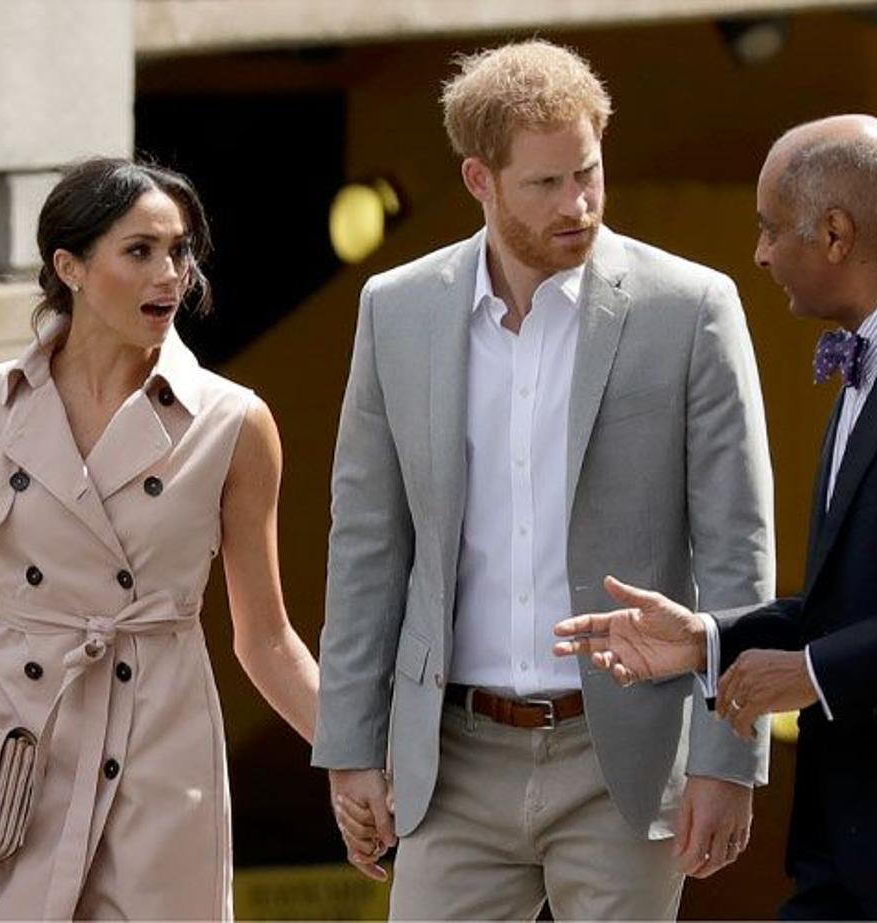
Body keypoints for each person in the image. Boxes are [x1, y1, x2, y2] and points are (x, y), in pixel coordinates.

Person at [313, 40, 775, 920]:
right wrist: (350, 744)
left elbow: (736, 547)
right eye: (546, 184)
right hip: (451, 757)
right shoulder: (396, 310)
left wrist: (727, 755)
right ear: (479, 179)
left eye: (589, 172)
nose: (579, 204)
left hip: (624, 759)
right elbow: (367, 542)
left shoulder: (690, 308)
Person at [555, 114, 877, 920]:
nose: (760, 253)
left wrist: (815, 674)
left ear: (837, 233)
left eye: (771, 228)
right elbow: (862, 598)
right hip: (853, 849)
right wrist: (709, 639)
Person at [0, 158, 319, 920]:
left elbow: (267, 638)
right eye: (140, 251)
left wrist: (366, 760)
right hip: (15, 756)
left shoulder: (234, 422)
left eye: (181, 251)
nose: (172, 275)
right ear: (72, 268)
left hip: (162, 754)